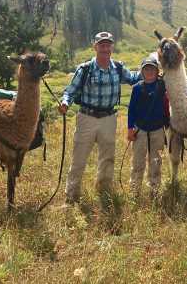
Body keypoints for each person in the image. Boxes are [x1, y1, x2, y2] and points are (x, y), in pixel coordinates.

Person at [59, 32, 141, 204]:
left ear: (112, 47)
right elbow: (70, 91)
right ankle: (71, 196)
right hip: (86, 117)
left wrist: (152, 65)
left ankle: (103, 191)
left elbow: (134, 78)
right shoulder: (85, 68)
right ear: (95, 47)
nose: (105, 48)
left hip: (109, 118)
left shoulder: (118, 68)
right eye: (101, 45)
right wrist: (65, 103)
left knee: (107, 157)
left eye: (108, 45)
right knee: (79, 158)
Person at [127, 57, 169, 198]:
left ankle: (154, 191)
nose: (149, 71)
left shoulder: (163, 85)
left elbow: (178, 85)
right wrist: (129, 129)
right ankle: (134, 191)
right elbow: (131, 110)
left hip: (157, 130)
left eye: (152, 69)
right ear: (142, 71)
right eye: (146, 69)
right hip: (140, 131)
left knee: (156, 162)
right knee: (138, 162)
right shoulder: (137, 88)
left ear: (157, 71)